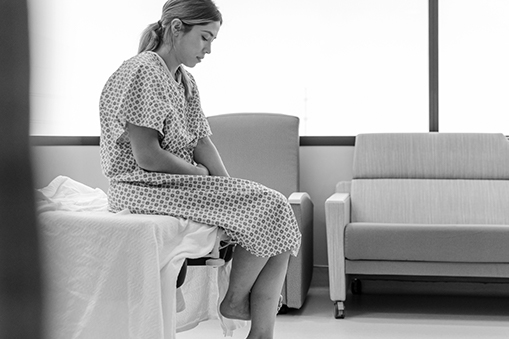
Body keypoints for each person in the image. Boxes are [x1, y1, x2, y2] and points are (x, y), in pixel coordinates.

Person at [99, 0, 301, 338]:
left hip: (175, 182)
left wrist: (227, 186)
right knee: (273, 204)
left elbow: (201, 142)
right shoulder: (143, 70)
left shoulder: (184, 80)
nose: (208, 49)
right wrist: (200, 177)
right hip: (141, 184)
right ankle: (235, 301)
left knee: (279, 214)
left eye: (212, 41)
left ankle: (261, 333)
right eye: (204, 38)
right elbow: (147, 156)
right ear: (177, 28)